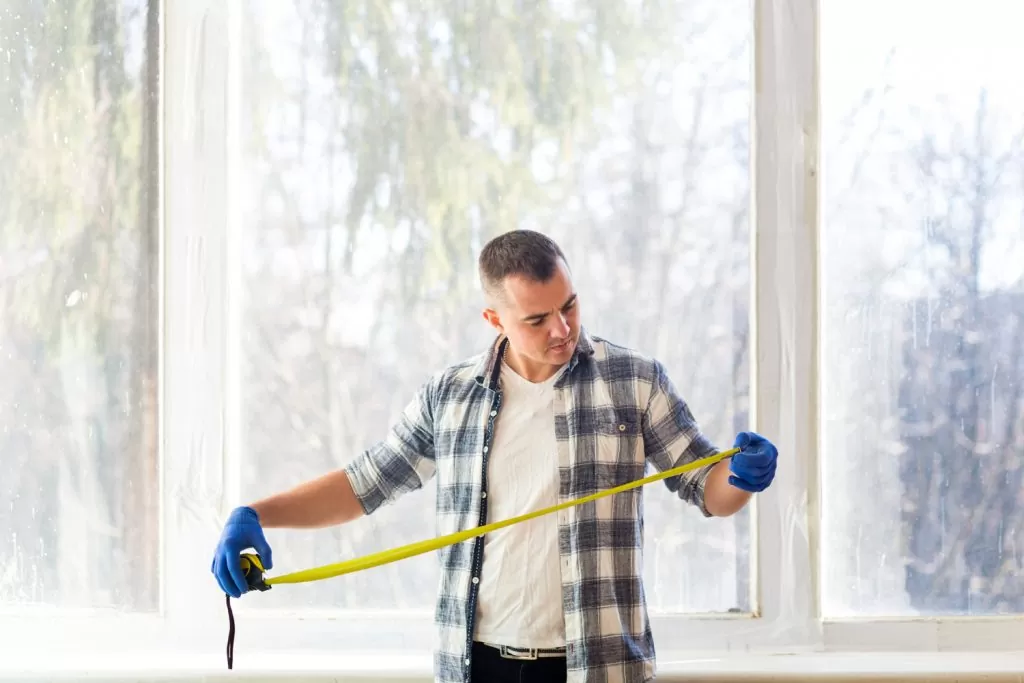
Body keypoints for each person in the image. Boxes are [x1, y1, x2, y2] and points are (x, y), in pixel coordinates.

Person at [211, 229, 779, 683]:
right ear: (495, 320)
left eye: (570, 306)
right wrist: (255, 515)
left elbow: (708, 488)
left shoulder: (634, 379)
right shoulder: (451, 394)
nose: (562, 329)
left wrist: (742, 478)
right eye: (537, 319)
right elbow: (365, 484)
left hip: (598, 668)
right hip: (477, 665)